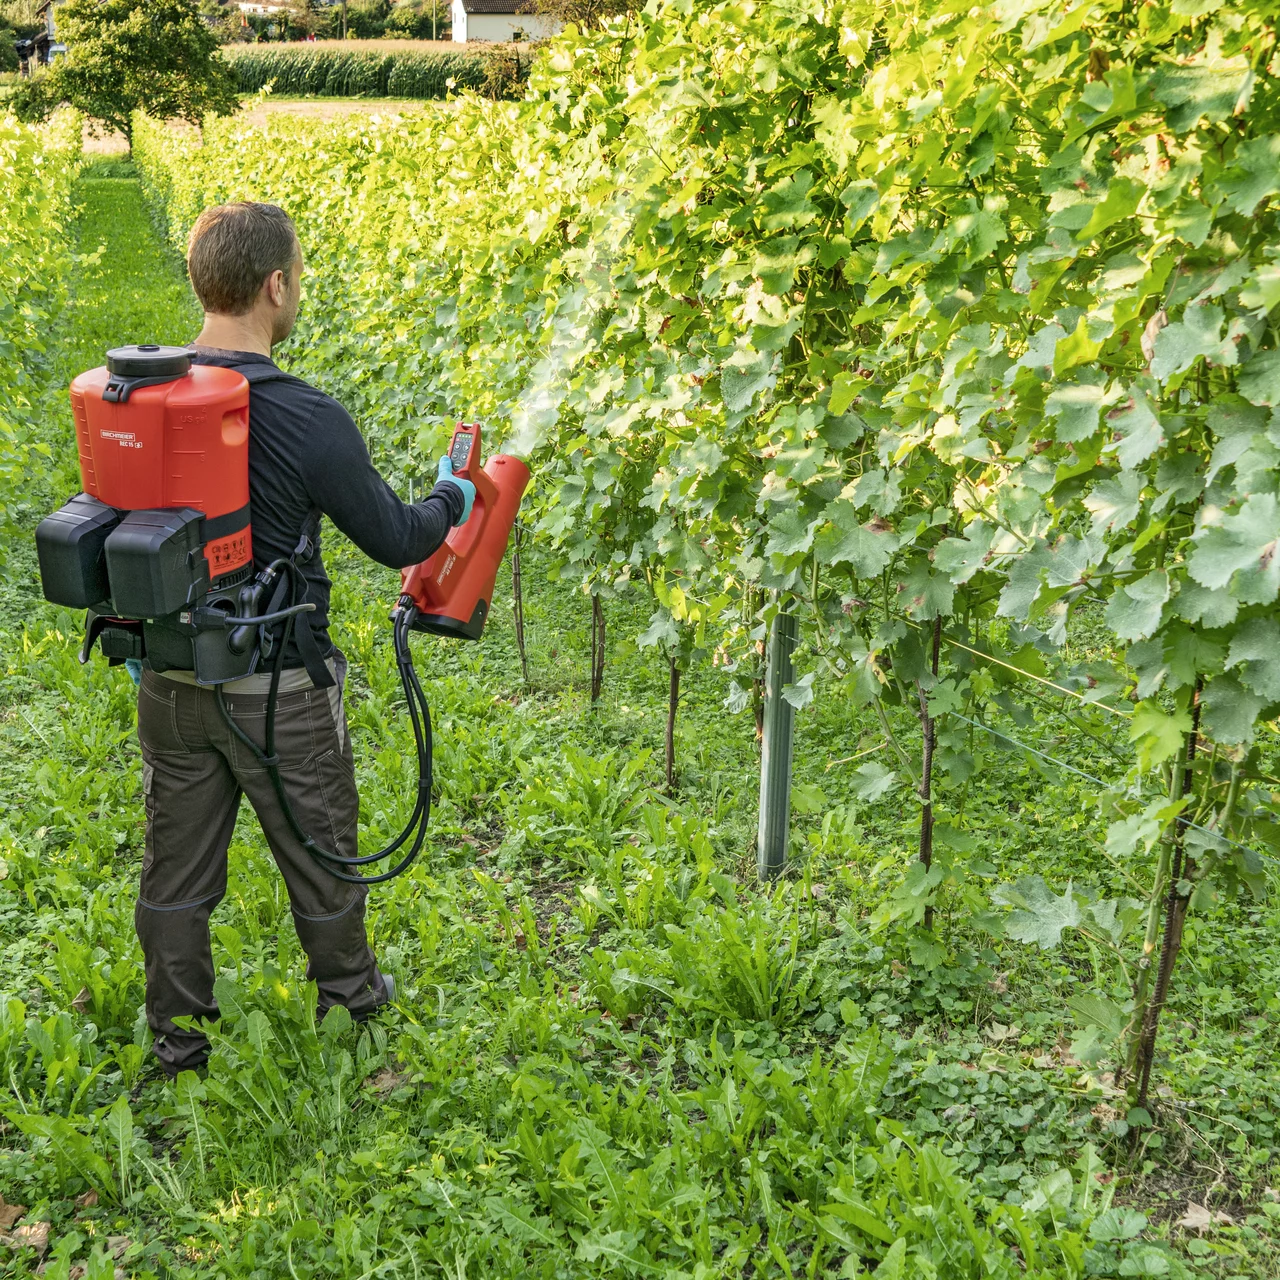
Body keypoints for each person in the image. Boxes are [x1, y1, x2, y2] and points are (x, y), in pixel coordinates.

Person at [133, 201, 474, 1076]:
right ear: (275, 286)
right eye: (300, 277)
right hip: (278, 688)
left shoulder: (142, 396)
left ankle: (178, 1044)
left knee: (176, 875)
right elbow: (399, 538)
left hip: (170, 684)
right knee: (320, 856)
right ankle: (355, 1012)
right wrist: (451, 499)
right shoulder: (306, 416)